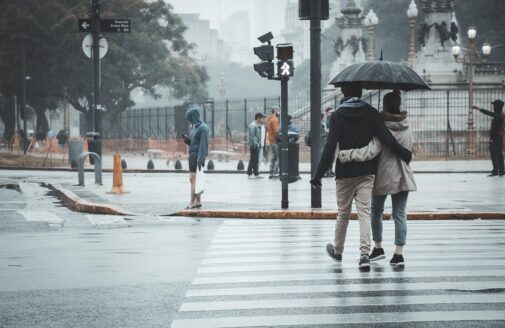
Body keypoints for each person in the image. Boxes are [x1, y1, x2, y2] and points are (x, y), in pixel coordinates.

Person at [310, 82, 412, 269]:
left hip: (344, 172)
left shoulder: (337, 116)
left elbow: (330, 147)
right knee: (364, 212)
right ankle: (364, 255)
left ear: (343, 91)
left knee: (343, 213)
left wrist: (317, 176)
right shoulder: (372, 113)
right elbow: (386, 138)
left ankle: (338, 251)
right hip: (367, 172)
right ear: (361, 91)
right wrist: (403, 152)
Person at [338, 92, 417, 267]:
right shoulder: (406, 125)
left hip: (383, 174)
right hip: (403, 175)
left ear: (385, 105)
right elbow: (411, 149)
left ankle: (378, 247)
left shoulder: (381, 127)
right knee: (400, 214)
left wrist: (347, 155)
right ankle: (398, 254)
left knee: (375, 211)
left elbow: (372, 151)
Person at [183, 107, 209, 209]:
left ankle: (192, 202)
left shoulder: (203, 128)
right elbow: (195, 143)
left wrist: (200, 159)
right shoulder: (195, 128)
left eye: (190, 118)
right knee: (195, 180)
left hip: (197, 157)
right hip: (193, 156)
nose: (189, 120)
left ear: (194, 116)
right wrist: (187, 141)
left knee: (193, 180)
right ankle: (198, 201)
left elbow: (203, 145)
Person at [473, 100, 505, 177]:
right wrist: (479, 109)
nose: (493, 107)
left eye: (494, 105)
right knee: (499, 154)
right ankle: (501, 170)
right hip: (500, 137)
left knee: (494, 154)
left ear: (497, 107)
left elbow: (495, 129)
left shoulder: (498, 116)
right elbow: (489, 113)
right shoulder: (501, 114)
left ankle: (495, 171)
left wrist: (491, 138)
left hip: (495, 138)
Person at [248, 112, 266, 178]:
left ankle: (256, 173)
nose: (263, 119)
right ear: (258, 118)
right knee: (253, 160)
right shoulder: (253, 125)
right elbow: (252, 136)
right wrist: (256, 144)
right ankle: (249, 173)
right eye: (261, 118)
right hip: (254, 146)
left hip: (256, 145)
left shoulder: (257, 125)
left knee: (255, 160)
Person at [266, 107, 280, 179]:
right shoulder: (275, 119)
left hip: (271, 141)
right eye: (278, 110)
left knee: (273, 157)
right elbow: (276, 131)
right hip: (275, 141)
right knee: (279, 157)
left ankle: (271, 172)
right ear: (275, 111)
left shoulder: (270, 119)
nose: (279, 112)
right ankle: (275, 172)